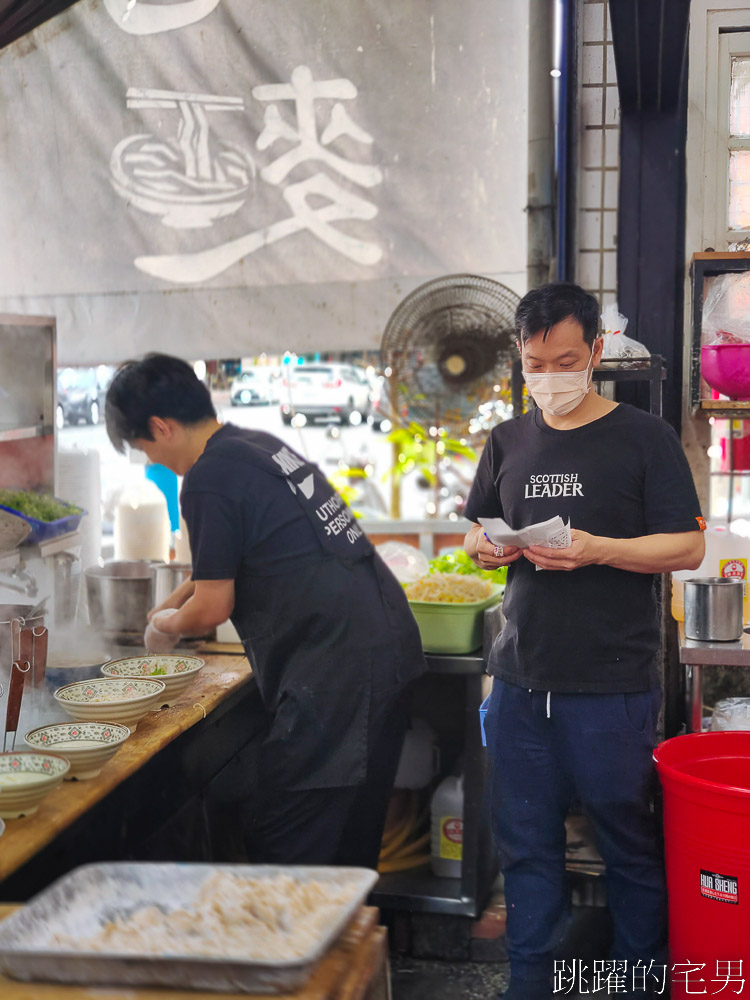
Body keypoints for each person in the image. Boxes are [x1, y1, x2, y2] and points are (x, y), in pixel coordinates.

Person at [463, 283, 705, 1000]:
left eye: (566, 361)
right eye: (536, 365)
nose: (550, 378)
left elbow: (687, 547)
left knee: (628, 848)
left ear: (597, 353)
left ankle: (637, 983)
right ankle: (529, 985)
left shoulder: (644, 439)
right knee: (526, 849)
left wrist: (599, 548)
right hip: (520, 680)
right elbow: (476, 526)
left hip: (612, 686)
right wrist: (486, 547)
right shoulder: (507, 440)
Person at [105, 354, 426, 869]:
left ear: (161, 428)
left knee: (287, 837)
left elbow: (213, 606)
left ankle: (298, 947)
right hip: (382, 649)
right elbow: (218, 567)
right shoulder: (255, 447)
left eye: (143, 447)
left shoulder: (207, 478)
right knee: (350, 839)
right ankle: (354, 947)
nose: (149, 461)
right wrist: (166, 607)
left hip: (335, 669)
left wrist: (165, 630)